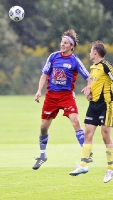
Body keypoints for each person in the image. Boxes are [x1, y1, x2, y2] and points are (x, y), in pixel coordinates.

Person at [32, 29, 92, 170]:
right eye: (62, 42)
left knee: (76, 121)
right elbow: (44, 75)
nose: (62, 44)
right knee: (43, 127)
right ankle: (42, 155)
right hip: (51, 96)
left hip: (66, 96)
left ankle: (86, 153)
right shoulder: (53, 57)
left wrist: (89, 87)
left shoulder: (75, 60)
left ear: (71, 46)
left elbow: (88, 76)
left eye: (65, 43)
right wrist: (39, 90)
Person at [69, 40, 113, 183]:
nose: (89, 53)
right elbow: (94, 83)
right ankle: (83, 165)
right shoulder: (93, 67)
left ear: (95, 52)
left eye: (90, 51)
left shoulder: (107, 66)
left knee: (105, 135)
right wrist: (89, 90)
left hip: (106, 105)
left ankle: (110, 169)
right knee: (88, 133)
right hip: (93, 105)